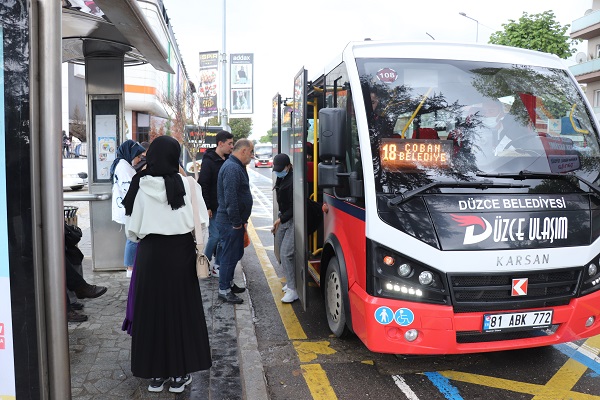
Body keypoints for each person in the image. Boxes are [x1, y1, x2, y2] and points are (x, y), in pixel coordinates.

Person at [122, 135, 212, 393]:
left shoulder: (140, 184)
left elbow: (132, 231)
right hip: (181, 254)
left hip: (150, 254)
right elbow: (201, 223)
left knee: (151, 312)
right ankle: (178, 375)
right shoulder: (189, 185)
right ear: (176, 157)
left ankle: (155, 376)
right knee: (181, 312)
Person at [215, 138, 254, 304]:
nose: (252, 156)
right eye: (251, 152)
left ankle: (229, 284)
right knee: (229, 256)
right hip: (230, 222)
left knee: (235, 253)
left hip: (234, 221)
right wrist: (237, 222)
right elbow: (231, 198)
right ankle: (224, 290)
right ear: (244, 151)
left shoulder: (236, 166)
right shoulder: (232, 168)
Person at [198, 130, 234, 277]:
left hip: (225, 207)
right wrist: (207, 206)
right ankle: (204, 264)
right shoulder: (209, 161)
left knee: (223, 237)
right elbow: (203, 184)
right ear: (220, 144)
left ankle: (217, 265)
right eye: (230, 143)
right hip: (213, 207)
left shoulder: (228, 159)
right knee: (215, 236)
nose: (232, 147)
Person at [110, 140, 145, 278]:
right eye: (138, 156)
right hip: (128, 207)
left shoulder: (123, 164)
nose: (139, 159)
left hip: (127, 206)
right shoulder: (123, 166)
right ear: (130, 154)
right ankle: (130, 268)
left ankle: (131, 266)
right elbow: (129, 189)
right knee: (132, 238)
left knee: (132, 237)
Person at [271, 153, 298, 303]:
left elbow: (295, 206)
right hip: (284, 218)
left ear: (288, 167)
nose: (278, 171)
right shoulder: (281, 177)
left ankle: (293, 290)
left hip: (293, 219)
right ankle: (290, 282)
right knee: (281, 250)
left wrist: (280, 220)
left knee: (286, 253)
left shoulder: (294, 180)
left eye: (281, 168)